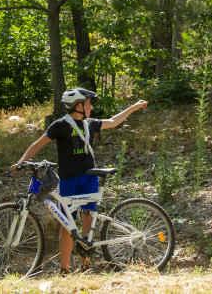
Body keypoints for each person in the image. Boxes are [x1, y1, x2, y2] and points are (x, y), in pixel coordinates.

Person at [14, 88, 148, 273]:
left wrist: (133, 107)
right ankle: (65, 268)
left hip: (89, 178)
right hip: (69, 180)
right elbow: (36, 145)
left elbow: (113, 122)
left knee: (87, 219)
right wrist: (21, 162)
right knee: (67, 225)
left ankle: (86, 263)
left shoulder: (90, 123)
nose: (91, 107)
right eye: (88, 103)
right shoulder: (60, 125)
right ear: (78, 105)